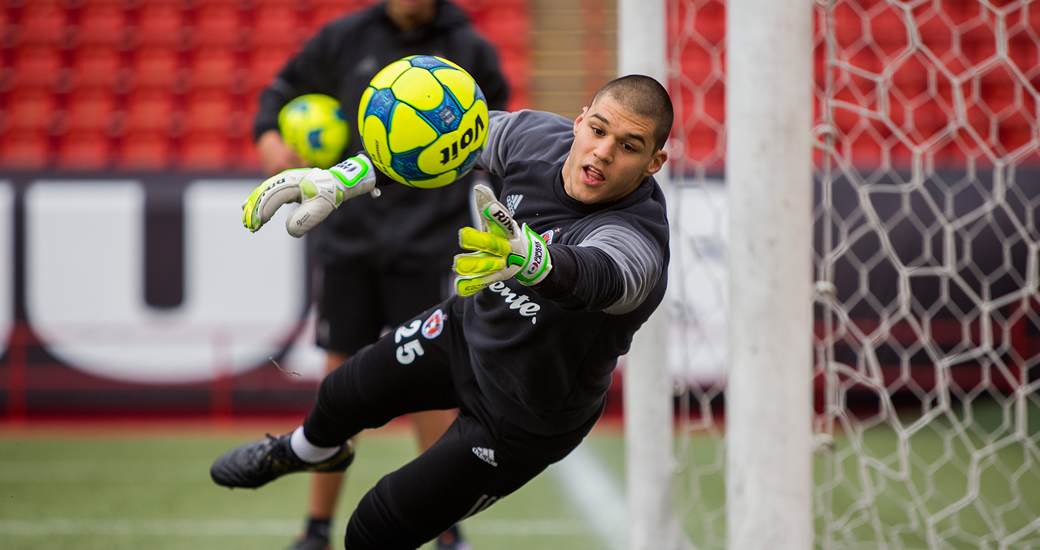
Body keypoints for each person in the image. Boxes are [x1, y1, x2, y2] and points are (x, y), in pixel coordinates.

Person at [216, 74, 672, 550]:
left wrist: (533, 259)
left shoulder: (638, 234)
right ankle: (304, 452)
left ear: (653, 163)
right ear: (579, 122)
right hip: (464, 332)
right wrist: (344, 177)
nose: (602, 152)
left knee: (372, 528)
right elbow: (438, 142)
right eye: (598, 130)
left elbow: (605, 277)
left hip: (523, 416)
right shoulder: (533, 137)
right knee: (343, 392)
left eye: (629, 145)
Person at [252, 1, 509, 549]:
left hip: (427, 245)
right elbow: (278, 93)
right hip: (348, 241)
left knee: (432, 386)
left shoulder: (469, 50)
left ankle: (446, 528)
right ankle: (317, 529)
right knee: (338, 382)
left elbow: (499, 136)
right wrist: (270, 136)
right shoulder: (343, 39)